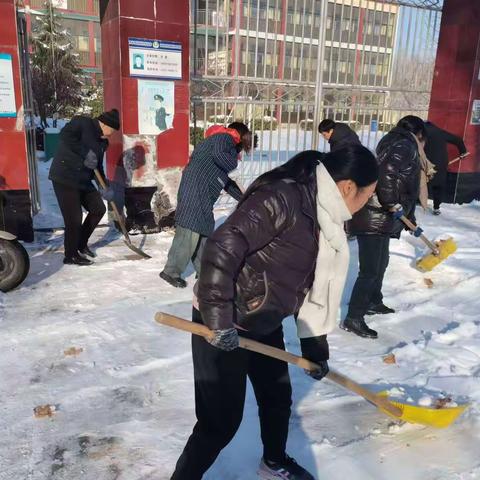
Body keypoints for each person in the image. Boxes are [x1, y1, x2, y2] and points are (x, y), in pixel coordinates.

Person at [170, 146, 379, 480]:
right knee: (219, 422)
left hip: (263, 317)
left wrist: (314, 348)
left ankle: (273, 461)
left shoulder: (325, 215)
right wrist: (218, 320)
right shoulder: (284, 197)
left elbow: (311, 286)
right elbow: (223, 245)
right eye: (368, 195)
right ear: (347, 187)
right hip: (225, 315)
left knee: (277, 396)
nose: (366, 203)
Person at [343, 115, 425, 339]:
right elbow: (386, 173)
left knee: (381, 263)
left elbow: (403, 182)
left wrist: (409, 215)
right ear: (419, 134)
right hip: (374, 215)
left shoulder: (392, 141)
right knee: (370, 270)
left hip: (381, 215)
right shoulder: (405, 145)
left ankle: (373, 301)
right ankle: (354, 317)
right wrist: (392, 203)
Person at [159, 122, 252, 288]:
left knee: (203, 230)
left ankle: (204, 272)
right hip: (195, 188)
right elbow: (220, 157)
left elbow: (227, 183)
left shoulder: (225, 148)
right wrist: (234, 167)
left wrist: (245, 198)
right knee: (190, 228)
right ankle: (171, 271)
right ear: (240, 135)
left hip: (201, 191)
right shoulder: (224, 138)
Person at [49, 109, 120, 265]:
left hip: (83, 180)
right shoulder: (82, 123)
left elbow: (97, 166)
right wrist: (85, 152)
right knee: (74, 219)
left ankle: (81, 243)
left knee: (98, 209)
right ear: (104, 123)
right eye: (112, 130)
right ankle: (71, 255)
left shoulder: (102, 142)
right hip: (65, 177)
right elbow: (65, 136)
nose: (111, 134)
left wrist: (104, 187)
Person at [424, 121, 467, 215]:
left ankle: (418, 201)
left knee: (421, 183)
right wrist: (463, 152)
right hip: (441, 164)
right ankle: (436, 208)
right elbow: (458, 140)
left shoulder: (421, 133)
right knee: (438, 186)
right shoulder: (440, 132)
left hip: (426, 164)